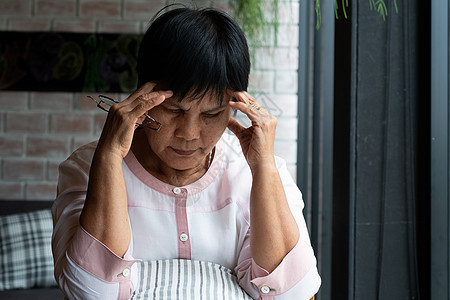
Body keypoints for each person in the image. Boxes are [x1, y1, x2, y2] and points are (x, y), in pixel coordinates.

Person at [52, 6, 321, 300]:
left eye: (212, 114)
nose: (189, 134)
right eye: (173, 110)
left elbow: (291, 294)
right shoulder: (87, 167)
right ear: (142, 97)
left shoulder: (261, 172)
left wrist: (264, 167)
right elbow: (91, 291)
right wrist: (109, 158)